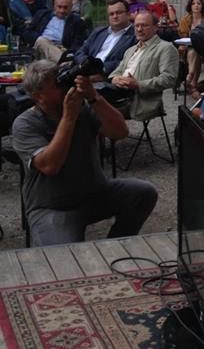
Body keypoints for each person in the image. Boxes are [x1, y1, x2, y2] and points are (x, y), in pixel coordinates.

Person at [11, 59, 157, 246]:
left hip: (94, 194)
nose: (65, 88)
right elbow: (50, 166)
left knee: (144, 193)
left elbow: (120, 132)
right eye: (57, 86)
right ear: (39, 96)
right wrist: (69, 117)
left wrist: (94, 97)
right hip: (53, 206)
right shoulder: (25, 123)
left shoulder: (84, 108)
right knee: (65, 254)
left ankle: (114, 246)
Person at [109, 10, 179, 120]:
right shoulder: (130, 50)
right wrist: (115, 79)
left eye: (144, 25)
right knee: (87, 102)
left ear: (155, 27)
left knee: (96, 111)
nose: (139, 29)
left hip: (140, 101)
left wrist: (137, 84)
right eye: (137, 26)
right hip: (118, 94)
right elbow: (116, 72)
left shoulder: (165, 48)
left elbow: (169, 79)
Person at [74, 0, 137, 77]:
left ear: (128, 14)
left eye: (118, 13)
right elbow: (81, 52)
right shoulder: (98, 32)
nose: (115, 16)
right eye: (111, 14)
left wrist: (101, 68)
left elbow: (128, 61)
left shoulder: (135, 36)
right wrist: (86, 63)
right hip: (85, 71)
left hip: (108, 76)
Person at [23, 0, 88, 62]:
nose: (62, 10)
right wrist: (42, 40)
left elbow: (78, 43)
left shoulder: (77, 22)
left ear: (71, 7)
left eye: (65, 7)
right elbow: (27, 33)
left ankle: (62, 61)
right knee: (41, 40)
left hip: (61, 50)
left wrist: (67, 51)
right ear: (54, 6)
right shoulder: (42, 15)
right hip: (40, 49)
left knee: (46, 65)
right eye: (59, 7)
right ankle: (65, 62)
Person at [177, 0, 204, 97]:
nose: (196, 6)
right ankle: (193, 84)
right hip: (189, 48)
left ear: (202, 5)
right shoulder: (185, 19)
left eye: (198, 3)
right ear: (190, 6)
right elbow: (183, 36)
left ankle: (190, 79)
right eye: (193, 4)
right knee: (194, 52)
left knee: (196, 52)